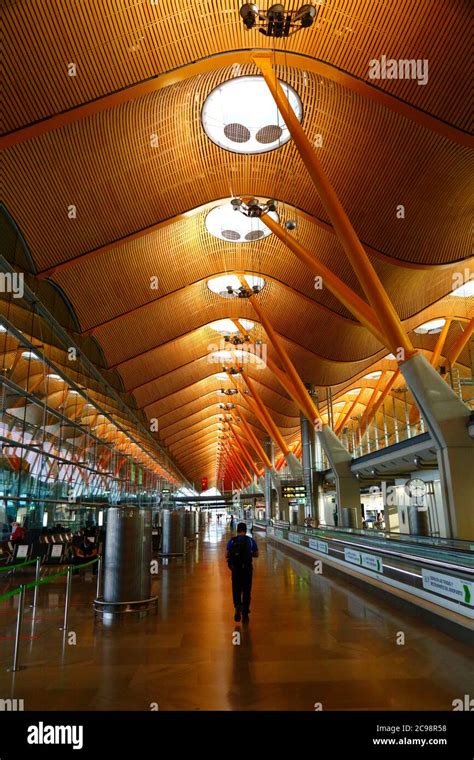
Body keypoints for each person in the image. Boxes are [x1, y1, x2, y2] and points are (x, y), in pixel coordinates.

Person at [226, 522, 258, 623]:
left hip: (235, 570)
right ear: (245, 530)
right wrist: (249, 554)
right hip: (247, 569)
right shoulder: (250, 540)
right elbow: (256, 554)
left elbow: (226, 555)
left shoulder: (232, 541)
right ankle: (245, 613)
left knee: (236, 589)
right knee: (247, 590)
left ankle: (237, 607)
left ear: (237, 530)